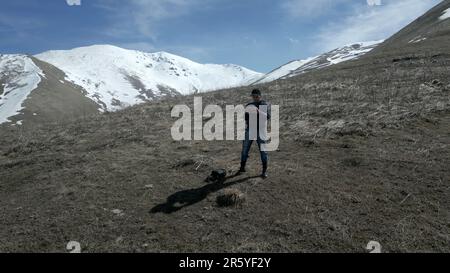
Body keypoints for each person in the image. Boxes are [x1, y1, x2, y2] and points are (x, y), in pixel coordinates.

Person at [237, 89, 271, 179]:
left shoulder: (263, 104)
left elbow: (267, 117)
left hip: (261, 131)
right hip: (250, 130)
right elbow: (245, 118)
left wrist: (257, 112)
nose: (255, 98)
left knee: (263, 151)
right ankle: (242, 168)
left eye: (257, 96)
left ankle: (264, 171)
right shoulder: (249, 105)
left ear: (260, 96)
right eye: (253, 96)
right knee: (245, 150)